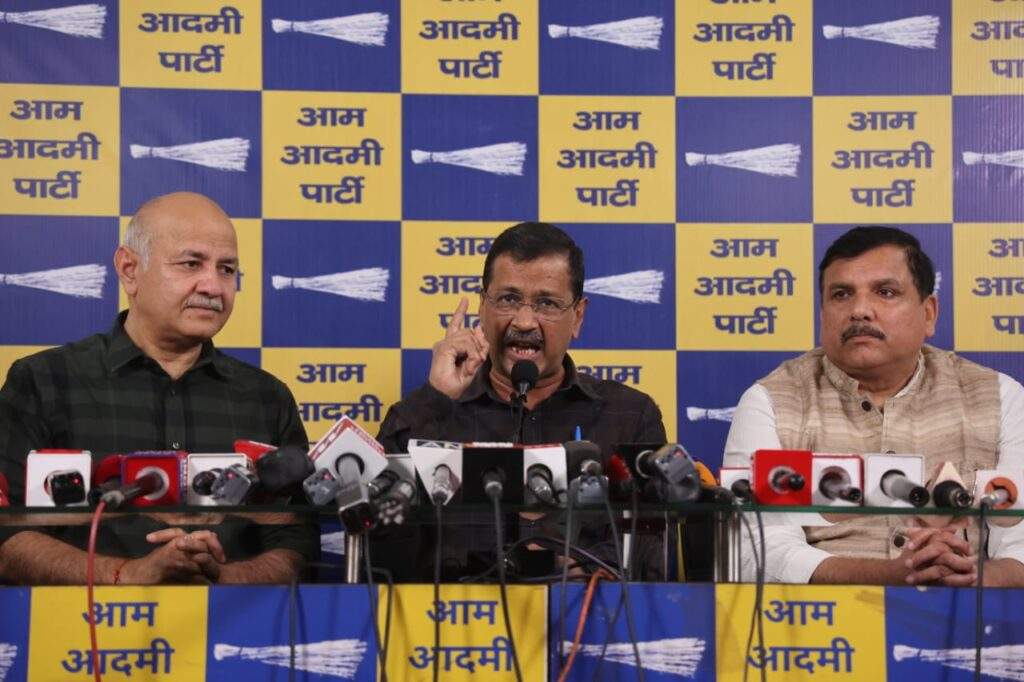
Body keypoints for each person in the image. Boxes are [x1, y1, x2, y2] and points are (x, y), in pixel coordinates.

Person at [0, 192, 318, 585]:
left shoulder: (268, 398)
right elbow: (7, 538)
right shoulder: (43, 381)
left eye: (227, 269)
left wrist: (224, 577)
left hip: (233, 616)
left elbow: (297, 542)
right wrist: (128, 574)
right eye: (191, 264)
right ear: (129, 269)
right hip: (88, 622)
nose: (213, 286)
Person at [376, 221, 683, 580]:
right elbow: (379, 545)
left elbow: (650, 560)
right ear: (483, 307)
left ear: (577, 316)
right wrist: (436, 398)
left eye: (546, 303)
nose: (524, 322)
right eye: (508, 299)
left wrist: (570, 564)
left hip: (585, 613)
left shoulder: (629, 415)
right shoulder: (433, 412)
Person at [725, 226, 1024, 586]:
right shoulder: (771, 401)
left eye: (885, 292)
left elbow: (1020, 543)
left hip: (963, 609)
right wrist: (889, 576)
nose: (860, 310)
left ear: (929, 313)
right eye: (841, 294)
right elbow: (753, 549)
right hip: (822, 614)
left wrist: (972, 577)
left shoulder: (999, 397)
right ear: (822, 313)